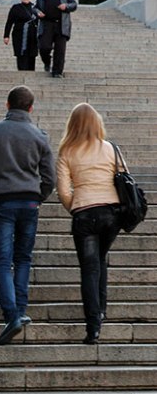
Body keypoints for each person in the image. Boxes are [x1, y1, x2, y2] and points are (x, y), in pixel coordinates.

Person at [0, 85, 55, 346]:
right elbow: (49, 177)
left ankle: (11, 315)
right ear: (31, 108)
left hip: (1, 201)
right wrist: (38, 196)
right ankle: (19, 311)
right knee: (23, 258)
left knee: (2, 260)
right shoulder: (40, 136)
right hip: (29, 202)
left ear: (7, 105)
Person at [57, 103, 122, 344]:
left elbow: (63, 190)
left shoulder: (67, 151)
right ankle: (101, 310)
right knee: (100, 260)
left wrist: (76, 205)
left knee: (90, 268)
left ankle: (93, 326)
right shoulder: (110, 149)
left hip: (84, 214)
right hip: (110, 214)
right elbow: (123, 178)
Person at [35, 0, 77, 78]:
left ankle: (57, 72)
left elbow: (74, 5)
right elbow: (34, 7)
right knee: (43, 47)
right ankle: (47, 62)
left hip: (61, 24)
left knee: (60, 50)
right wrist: (38, 12)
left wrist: (66, 6)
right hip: (46, 24)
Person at [3, 0, 38, 71]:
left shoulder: (35, 8)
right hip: (19, 34)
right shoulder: (16, 8)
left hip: (32, 35)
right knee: (21, 54)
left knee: (31, 55)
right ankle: (21, 71)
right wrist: (6, 36)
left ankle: (31, 72)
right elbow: (9, 22)